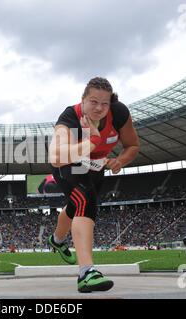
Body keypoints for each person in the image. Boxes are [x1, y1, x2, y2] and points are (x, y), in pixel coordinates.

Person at [48, 77, 140, 293]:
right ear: (83, 100)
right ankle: (86, 273)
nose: (99, 108)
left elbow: (133, 145)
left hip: (96, 168)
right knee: (86, 200)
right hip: (70, 164)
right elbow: (56, 157)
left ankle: (57, 240)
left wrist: (120, 160)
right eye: (93, 102)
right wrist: (95, 140)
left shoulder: (119, 114)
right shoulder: (70, 117)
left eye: (105, 103)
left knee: (75, 207)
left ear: (111, 103)